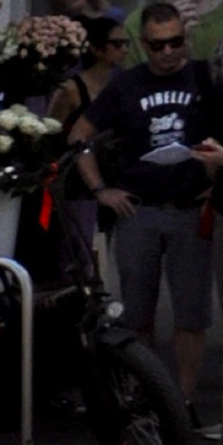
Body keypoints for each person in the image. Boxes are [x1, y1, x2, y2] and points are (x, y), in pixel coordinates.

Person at [73, 1, 223, 400]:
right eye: (157, 46)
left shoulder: (203, 78)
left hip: (190, 210)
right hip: (137, 209)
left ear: (185, 38)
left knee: (192, 315)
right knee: (137, 312)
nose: (167, 53)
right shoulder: (127, 84)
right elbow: (79, 136)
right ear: (143, 44)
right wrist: (99, 191)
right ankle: (145, 397)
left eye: (175, 42)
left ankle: (183, 400)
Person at [50, 16, 129, 287]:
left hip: (112, 172)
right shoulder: (72, 89)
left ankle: (101, 295)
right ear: (96, 49)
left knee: (105, 239)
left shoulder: (121, 86)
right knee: (78, 241)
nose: (123, 50)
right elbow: (53, 130)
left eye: (126, 44)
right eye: (116, 44)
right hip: (76, 177)